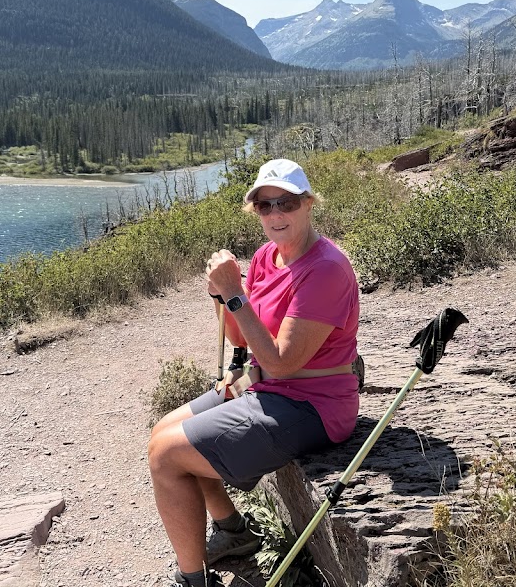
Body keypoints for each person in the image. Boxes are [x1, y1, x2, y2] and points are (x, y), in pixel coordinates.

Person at [148, 158, 361, 587]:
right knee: (163, 431)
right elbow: (240, 337)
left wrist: (234, 292)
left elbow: (282, 361)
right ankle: (234, 533)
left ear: (308, 204)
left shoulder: (325, 269)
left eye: (287, 202)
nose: (276, 213)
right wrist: (223, 296)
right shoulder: (267, 256)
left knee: (168, 456)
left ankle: (195, 581)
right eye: (265, 205)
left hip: (312, 406)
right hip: (268, 388)